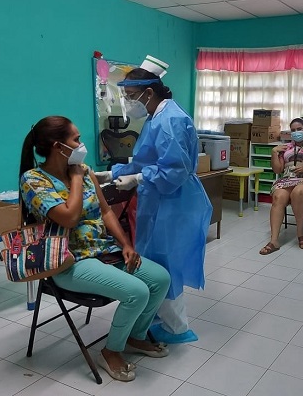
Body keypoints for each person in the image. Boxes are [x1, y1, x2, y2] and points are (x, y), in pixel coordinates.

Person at [19, 116, 171, 382]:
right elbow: (69, 217)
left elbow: (105, 211)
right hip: (68, 261)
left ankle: (135, 336)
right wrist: (77, 178)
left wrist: (125, 244)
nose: (81, 144)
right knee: (137, 291)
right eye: (75, 139)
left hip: (104, 251)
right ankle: (111, 351)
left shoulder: (85, 171)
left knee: (160, 279)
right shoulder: (34, 180)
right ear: (58, 146)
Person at [95, 59, 212, 344]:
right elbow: (148, 160)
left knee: (165, 263)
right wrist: (114, 172)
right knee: (155, 260)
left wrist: (138, 180)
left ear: (148, 92)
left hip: (173, 201)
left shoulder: (170, 119)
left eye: (130, 96)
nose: (128, 103)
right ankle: (160, 318)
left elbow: (174, 170)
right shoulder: (156, 116)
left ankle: (176, 329)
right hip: (160, 199)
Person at [259, 118, 303, 255]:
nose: (296, 132)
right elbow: (277, 170)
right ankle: (274, 240)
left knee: (298, 192)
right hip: (288, 179)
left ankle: (300, 232)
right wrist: (274, 153)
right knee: (279, 196)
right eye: (293, 130)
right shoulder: (286, 147)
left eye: (299, 129)